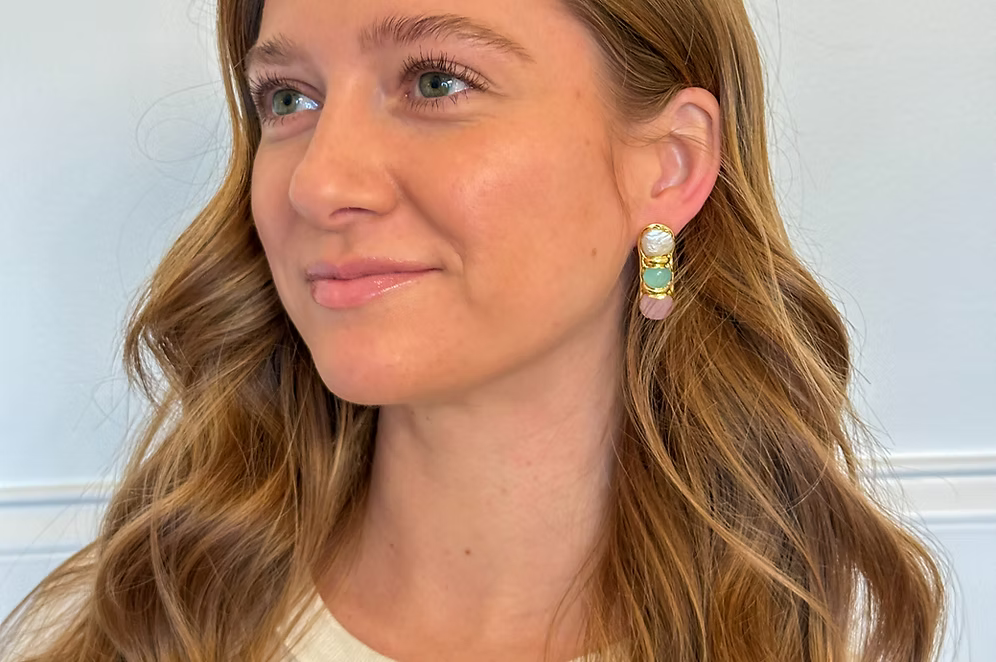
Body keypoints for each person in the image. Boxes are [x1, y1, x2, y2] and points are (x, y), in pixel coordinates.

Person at [0, 0, 947, 660]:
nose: (319, 183)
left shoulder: (832, 639)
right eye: (289, 98)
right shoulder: (120, 628)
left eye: (437, 81)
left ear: (668, 165)